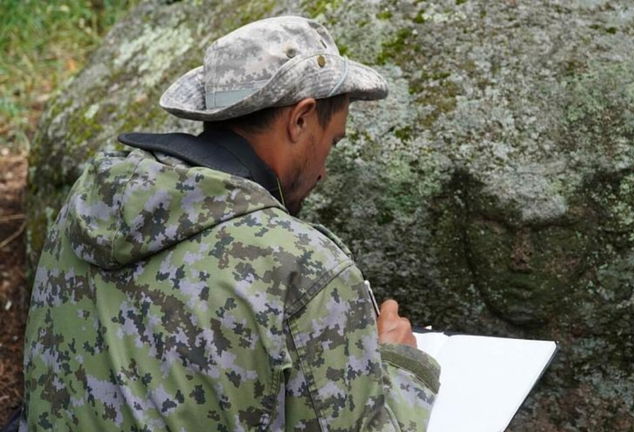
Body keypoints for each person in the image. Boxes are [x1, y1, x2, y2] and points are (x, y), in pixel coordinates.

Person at [21, 16, 439, 431]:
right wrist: (400, 366)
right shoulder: (304, 267)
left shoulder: (89, 201)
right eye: (333, 142)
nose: (324, 171)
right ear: (301, 119)